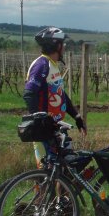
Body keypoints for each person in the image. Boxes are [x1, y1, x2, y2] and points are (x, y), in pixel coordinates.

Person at [23, 26, 87, 166]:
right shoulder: (42, 65)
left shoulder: (52, 65)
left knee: (66, 168)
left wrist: (77, 117)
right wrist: (39, 121)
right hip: (44, 130)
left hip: (55, 127)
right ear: (57, 46)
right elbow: (29, 93)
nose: (64, 47)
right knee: (47, 170)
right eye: (63, 44)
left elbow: (60, 94)